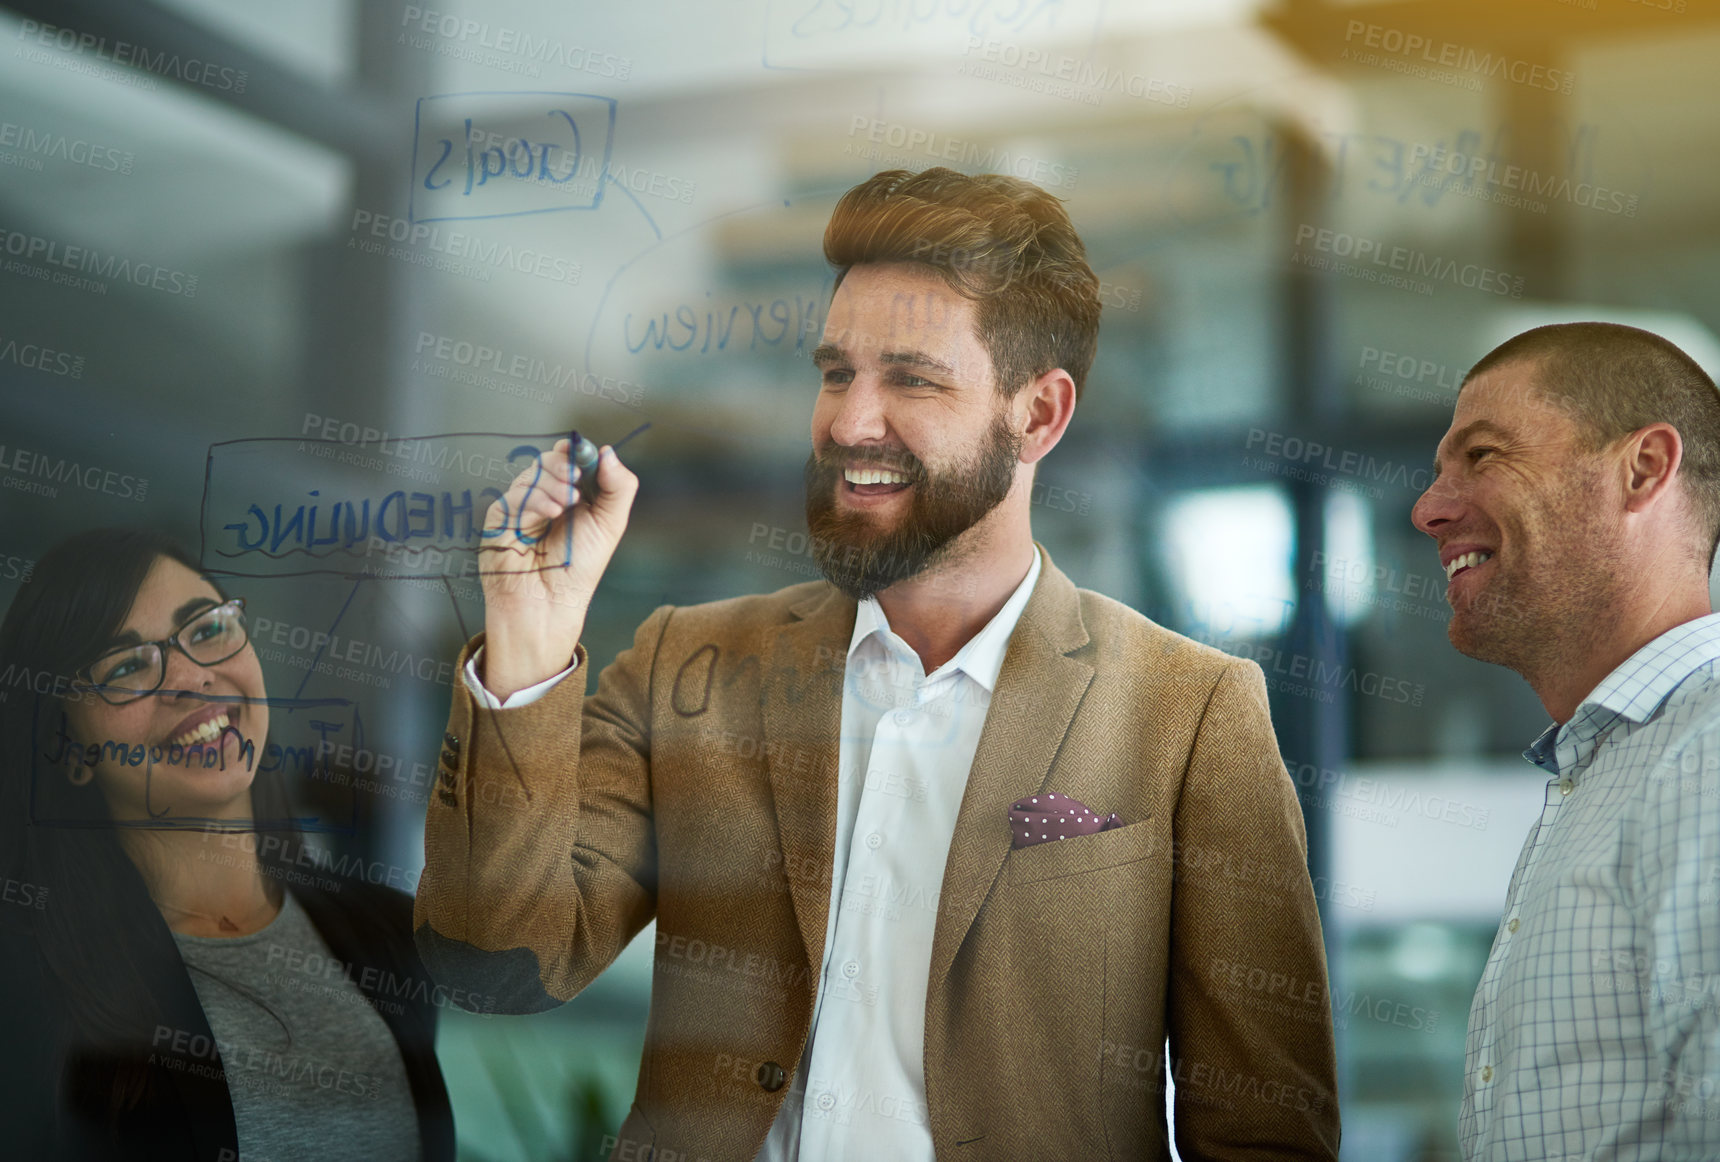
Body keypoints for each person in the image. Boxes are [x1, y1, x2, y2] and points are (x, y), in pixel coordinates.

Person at [416, 167, 1338, 1160]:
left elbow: (1262, 1128)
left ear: (1038, 414)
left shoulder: (1191, 713)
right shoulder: (691, 665)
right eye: (834, 372)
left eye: (912, 378)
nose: (849, 422)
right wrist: (525, 635)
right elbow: (493, 964)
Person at [0, 528, 453, 1161]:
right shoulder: (28, 987)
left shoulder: (386, 933)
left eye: (207, 629)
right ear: (70, 750)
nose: (191, 679)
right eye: (127, 666)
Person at [1410, 322, 1720, 1160]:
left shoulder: (1708, 753)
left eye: (1483, 456)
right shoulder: (1612, 764)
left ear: (1644, 470)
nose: (1429, 509)